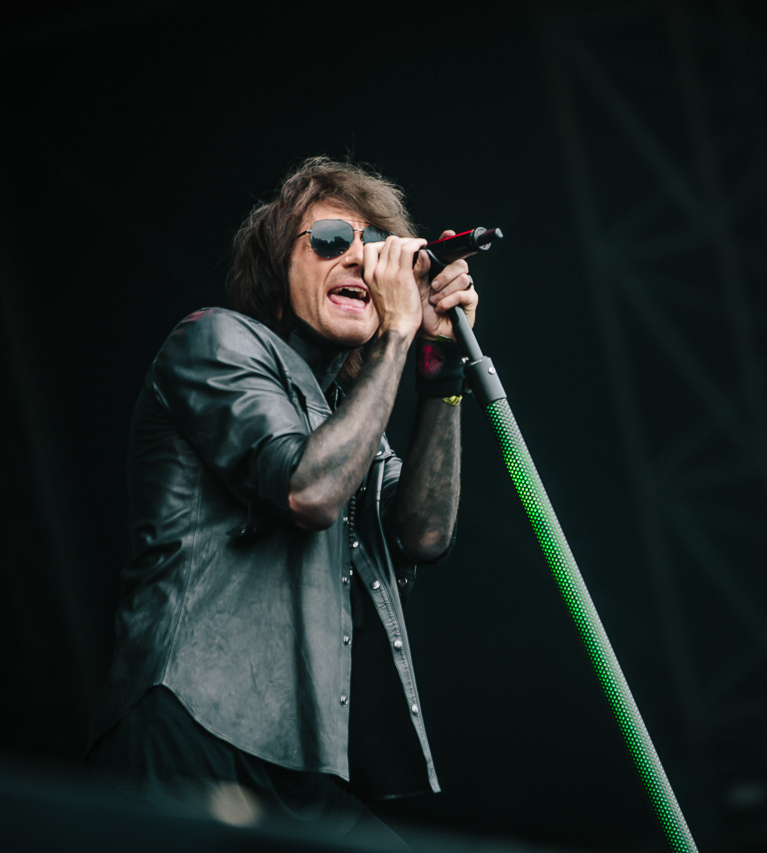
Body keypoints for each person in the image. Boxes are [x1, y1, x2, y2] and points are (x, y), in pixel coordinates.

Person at [87, 156, 477, 846]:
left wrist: (440, 365)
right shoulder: (214, 339)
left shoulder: (350, 418)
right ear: (274, 275)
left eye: (374, 247)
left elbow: (422, 535)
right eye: (329, 240)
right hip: (191, 728)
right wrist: (395, 334)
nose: (357, 259)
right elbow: (310, 489)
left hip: (302, 764)